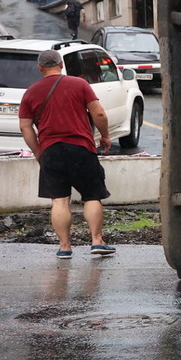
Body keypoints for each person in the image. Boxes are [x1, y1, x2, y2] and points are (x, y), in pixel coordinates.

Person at [18, 50, 115, 259]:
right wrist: (105, 136)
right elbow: (98, 113)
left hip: (51, 151)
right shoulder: (79, 84)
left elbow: (25, 127)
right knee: (92, 196)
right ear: (61, 64)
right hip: (81, 148)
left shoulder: (30, 92)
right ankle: (97, 241)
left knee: (60, 200)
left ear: (40, 68)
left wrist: (38, 151)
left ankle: (64, 246)